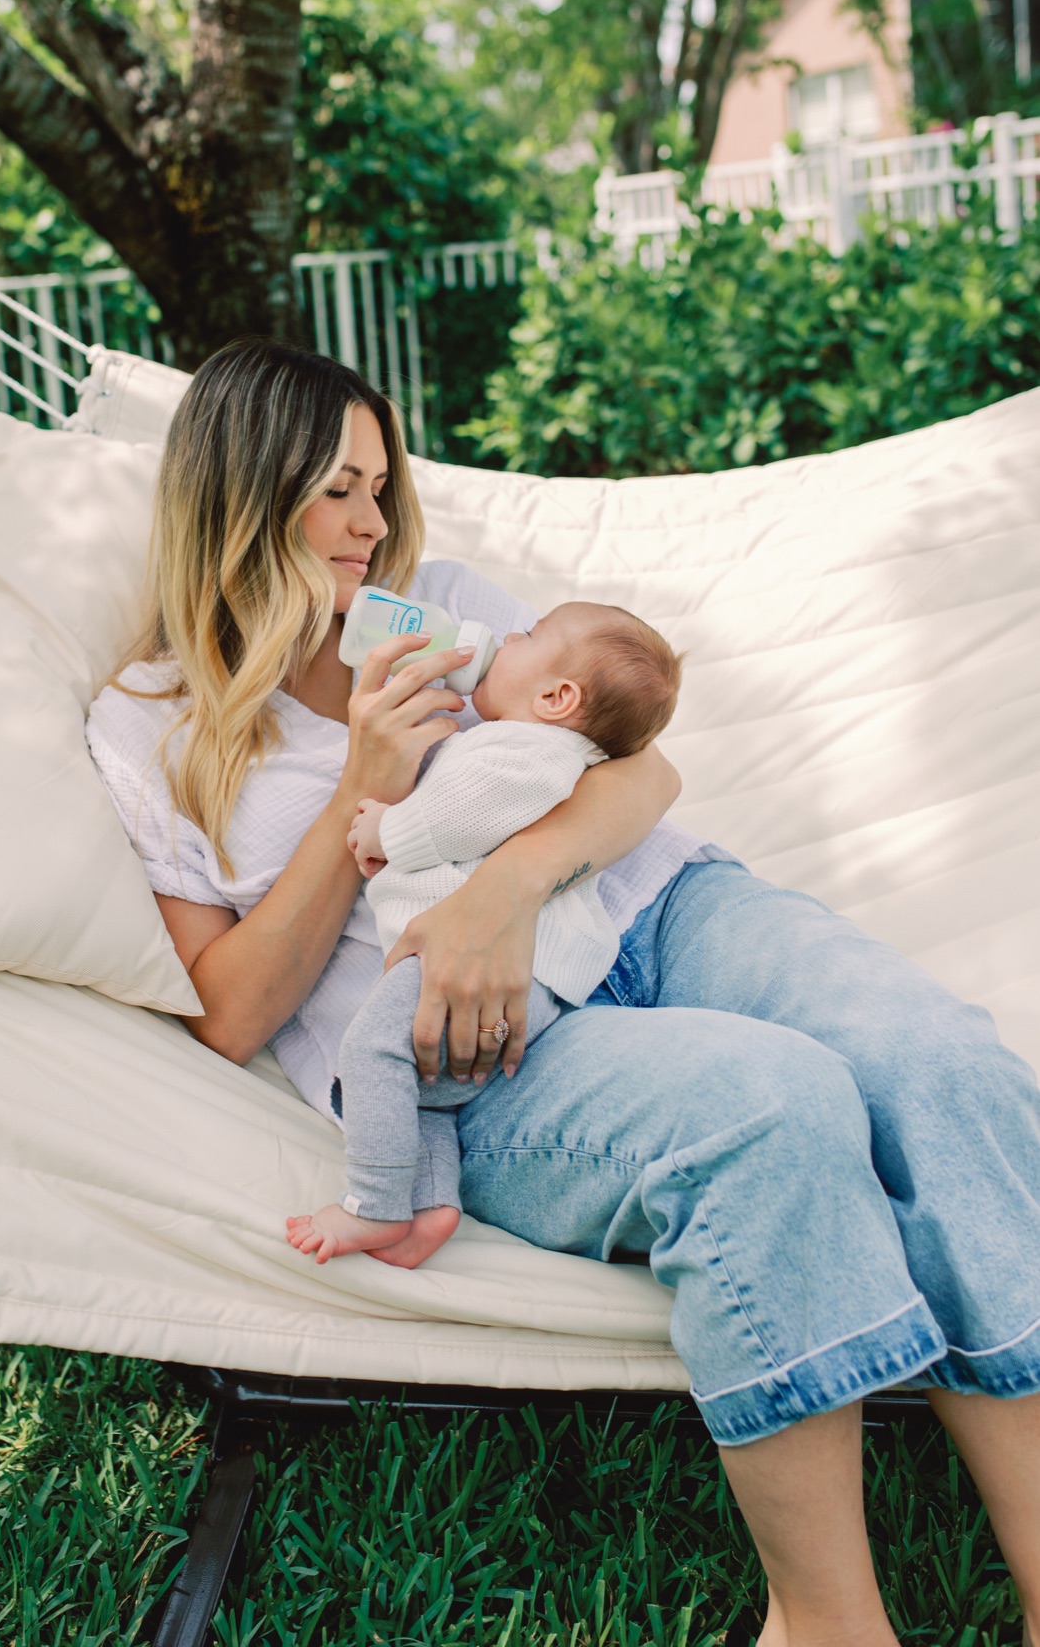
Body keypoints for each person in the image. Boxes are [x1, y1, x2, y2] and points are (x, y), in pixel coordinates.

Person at [87, 338, 1040, 1647]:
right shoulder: (152, 725)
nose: (371, 525)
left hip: (655, 904)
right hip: (477, 1050)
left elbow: (640, 778)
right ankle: (828, 1626)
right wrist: (364, 786)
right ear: (240, 497)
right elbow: (232, 1010)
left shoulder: (447, 606)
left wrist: (503, 888)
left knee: (941, 1066)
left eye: (379, 487)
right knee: (771, 1111)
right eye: (336, 491)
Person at [286, 600, 683, 1266]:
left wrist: (390, 829)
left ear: (557, 697)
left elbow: (468, 814)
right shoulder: (536, 746)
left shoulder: (531, 750)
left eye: (525, 637)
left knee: (368, 1056)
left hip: (490, 961)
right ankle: (431, 1208)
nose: (503, 636)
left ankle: (372, 1205)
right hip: (511, 973)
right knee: (426, 1095)